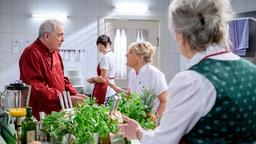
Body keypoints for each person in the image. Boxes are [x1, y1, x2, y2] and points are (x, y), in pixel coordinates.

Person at [118, 0, 256, 143]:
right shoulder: (252, 71)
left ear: (182, 35)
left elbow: (163, 141)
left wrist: (139, 132)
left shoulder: (192, 80)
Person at [19, 19, 86, 120]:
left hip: (58, 111)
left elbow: (62, 79)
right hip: (40, 114)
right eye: (60, 35)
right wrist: (63, 98)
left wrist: (75, 94)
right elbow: (35, 86)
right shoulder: (31, 53)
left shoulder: (56, 53)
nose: (63, 39)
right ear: (46, 36)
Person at [108, 41, 169, 119]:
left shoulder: (154, 74)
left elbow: (165, 101)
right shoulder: (132, 73)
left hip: (150, 123)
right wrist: (113, 86)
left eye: (130, 52)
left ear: (140, 58)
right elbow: (130, 96)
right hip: (137, 120)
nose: (126, 55)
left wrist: (156, 120)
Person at [87, 34, 116, 104]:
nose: (99, 47)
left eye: (101, 45)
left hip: (105, 90)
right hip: (112, 90)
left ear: (108, 44)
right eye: (98, 45)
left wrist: (93, 79)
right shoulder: (112, 55)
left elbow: (103, 78)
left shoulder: (105, 57)